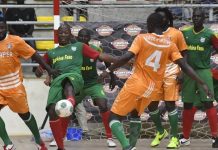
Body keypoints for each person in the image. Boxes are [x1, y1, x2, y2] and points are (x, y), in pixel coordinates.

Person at [106, 12, 213, 150]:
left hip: (136, 84)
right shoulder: (170, 44)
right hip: (152, 89)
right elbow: (185, 66)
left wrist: (107, 71)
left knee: (113, 119)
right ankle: (135, 144)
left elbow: (126, 57)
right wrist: (202, 83)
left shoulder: (141, 38)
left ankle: (128, 147)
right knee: (135, 115)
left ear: (151, 24)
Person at [35, 23, 116, 150]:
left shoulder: (79, 47)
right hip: (61, 84)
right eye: (60, 33)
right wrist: (41, 72)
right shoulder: (51, 52)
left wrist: (120, 62)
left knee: (102, 104)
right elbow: (41, 68)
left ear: (70, 35)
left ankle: (110, 137)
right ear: (57, 34)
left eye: (65, 32)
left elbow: (103, 57)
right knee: (53, 110)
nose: (63, 35)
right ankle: (60, 142)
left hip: (83, 81)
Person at [0, 15, 59, 150]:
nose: (0, 30)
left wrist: (48, 69)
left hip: (14, 87)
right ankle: (8, 144)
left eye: (2, 27)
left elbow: (34, 54)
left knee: (24, 115)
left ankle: (39, 141)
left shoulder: (15, 41)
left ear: (6, 27)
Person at [146, 7, 188, 149]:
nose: (160, 19)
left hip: (171, 72)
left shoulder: (176, 34)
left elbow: (184, 54)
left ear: (168, 19)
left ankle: (175, 137)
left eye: (163, 17)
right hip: (155, 74)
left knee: (170, 105)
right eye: (158, 17)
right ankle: (160, 131)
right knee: (151, 104)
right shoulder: (151, 33)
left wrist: (182, 71)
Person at [179, 8, 218, 148]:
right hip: (189, 73)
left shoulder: (210, 34)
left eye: (198, 16)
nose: (195, 18)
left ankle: (215, 137)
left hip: (203, 72)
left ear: (204, 18)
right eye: (194, 16)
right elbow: (181, 54)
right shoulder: (185, 33)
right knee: (187, 104)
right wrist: (181, 72)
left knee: (208, 103)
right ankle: (186, 137)